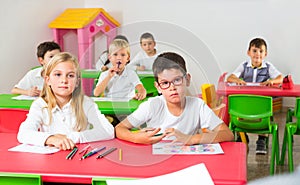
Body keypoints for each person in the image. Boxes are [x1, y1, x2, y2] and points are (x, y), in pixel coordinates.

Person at [115, 52, 234, 145]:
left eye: (177, 80)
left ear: (187, 79)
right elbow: (119, 129)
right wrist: (136, 137)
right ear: (158, 87)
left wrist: (191, 139)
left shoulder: (197, 106)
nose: (172, 88)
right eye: (165, 83)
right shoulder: (152, 105)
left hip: (185, 163)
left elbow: (227, 134)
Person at [17, 52, 114, 150]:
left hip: (78, 157)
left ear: (77, 82)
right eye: (58, 74)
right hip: (50, 161)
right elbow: (23, 133)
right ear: (47, 80)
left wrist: (71, 138)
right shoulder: (40, 105)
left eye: (70, 76)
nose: (64, 80)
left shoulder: (86, 103)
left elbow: (108, 131)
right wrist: (51, 139)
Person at [226, 38, 284, 154]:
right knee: (238, 108)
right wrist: (238, 80)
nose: (258, 54)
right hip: (246, 100)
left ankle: (262, 139)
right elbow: (230, 78)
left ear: (265, 54)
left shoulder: (268, 66)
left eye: (261, 51)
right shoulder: (244, 66)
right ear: (249, 53)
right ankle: (242, 135)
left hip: (261, 100)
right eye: (254, 51)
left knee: (263, 111)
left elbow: (280, 77)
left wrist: (272, 81)